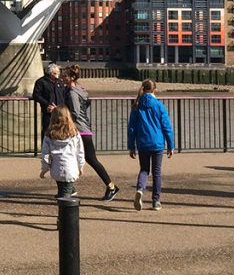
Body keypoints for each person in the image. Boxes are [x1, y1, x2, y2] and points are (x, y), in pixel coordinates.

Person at [63, 64, 119, 201]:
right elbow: (87, 103)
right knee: (73, 157)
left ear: (72, 78)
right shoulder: (80, 89)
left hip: (79, 130)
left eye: (65, 75)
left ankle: (111, 186)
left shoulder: (72, 93)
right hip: (83, 128)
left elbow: (75, 113)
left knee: (89, 159)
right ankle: (69, 188)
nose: (62, 77)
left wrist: (60, 113)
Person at [127, 80, 175, 211]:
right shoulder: (159, 106)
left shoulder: (137, 105)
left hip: (142, 143)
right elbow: (166, 126)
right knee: (157, 172)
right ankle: (156, 201)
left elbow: (132, 128)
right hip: (157, 143)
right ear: (155, 90)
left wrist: (131, 146)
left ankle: (140, 189)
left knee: (144, 170)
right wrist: (171, 145)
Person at [40, 106, 84, 199]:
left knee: (62, 190)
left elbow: (45, 155)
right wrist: (81, 166)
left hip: (56, 168)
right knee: (66, 195)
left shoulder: (49, 134)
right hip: (71, 167)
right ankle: (65, 203)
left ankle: (63, 197)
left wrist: (44, 169)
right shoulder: (74, 133)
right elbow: (80, 152)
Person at [32, 63, 66, 137]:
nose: (57, 75)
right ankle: (46, 147)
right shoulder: (41, 82)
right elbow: (36, 95)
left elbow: (64, 95)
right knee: (48, 131)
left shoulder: (60, 82)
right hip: (48, 112)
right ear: (50, 73)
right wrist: (47, 104)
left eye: (58, 73)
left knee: (61, 130)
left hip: (60, 111)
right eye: (55, 73)